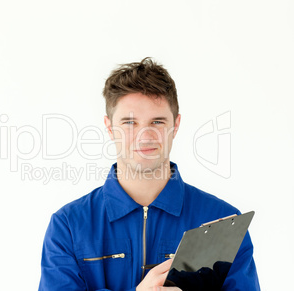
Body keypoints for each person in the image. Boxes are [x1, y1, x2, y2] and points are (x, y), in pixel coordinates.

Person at [38, 58, 260, 291]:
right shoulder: (69, 226)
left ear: (176, 125)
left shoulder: (224, 222)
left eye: (157, 121)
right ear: (109, 127)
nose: (145, 136)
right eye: (130, 122)